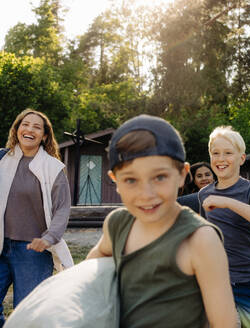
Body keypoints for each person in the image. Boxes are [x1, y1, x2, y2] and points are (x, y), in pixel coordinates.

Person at [86, 115, 236, 328]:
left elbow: (224, 324)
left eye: (159, 177)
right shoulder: (118, 224)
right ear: (115, 181)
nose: (146, 194)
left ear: (183, 175)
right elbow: (91, 268)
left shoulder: (200, 240)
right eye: (130, 180)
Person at [198, 126, 250, 328]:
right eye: (215, 153)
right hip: (217, 280)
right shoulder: (204, 194)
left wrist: (228, 202)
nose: (221, 158)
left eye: (228, 153)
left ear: (241, 158)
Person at [0, 109, 73, 327]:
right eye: (25, 124)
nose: (29, 129)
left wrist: (50, 237)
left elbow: (62, 208)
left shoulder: (53, 168)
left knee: (28, 314)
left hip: (33, 251)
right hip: (1, 245)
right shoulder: (2, 160)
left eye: (36, 127)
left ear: (44, 136)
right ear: (17, 129)